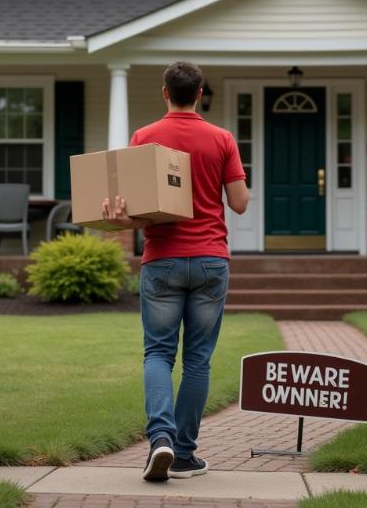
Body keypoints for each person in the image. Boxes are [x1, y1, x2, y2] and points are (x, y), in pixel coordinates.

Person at [101, 61, 249, 482]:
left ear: (165, 92)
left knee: (158, 354)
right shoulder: (221, 139)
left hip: (163, 260)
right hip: (210, 261)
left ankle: (160, 440)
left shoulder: (144, 138)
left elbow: (133, 213)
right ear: (200, 93)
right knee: (198, 361)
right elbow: (239, 203)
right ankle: (183, 455)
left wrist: (119, 219)